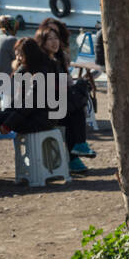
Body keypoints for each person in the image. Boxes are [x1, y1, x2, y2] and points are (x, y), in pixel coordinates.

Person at [35, 22, 94, 171]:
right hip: (43, 108)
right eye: (50, 39)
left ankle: (75, 156)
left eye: (56, 38)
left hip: (58, 105)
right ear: (42, 42)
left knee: (74, 110)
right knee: (76, 106)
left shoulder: (58, 59)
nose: (55, 42)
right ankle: (79, 148)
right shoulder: (41, 62)